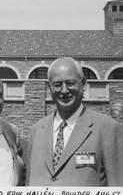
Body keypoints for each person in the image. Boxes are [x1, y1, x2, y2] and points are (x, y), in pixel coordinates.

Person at [27, 57, 123, 186]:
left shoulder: (108, 129)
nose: (64, 90)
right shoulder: (37, 130)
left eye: (70, 83)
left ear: (83, 84)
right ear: (49, 88)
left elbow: (118, 188)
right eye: (57, 84)